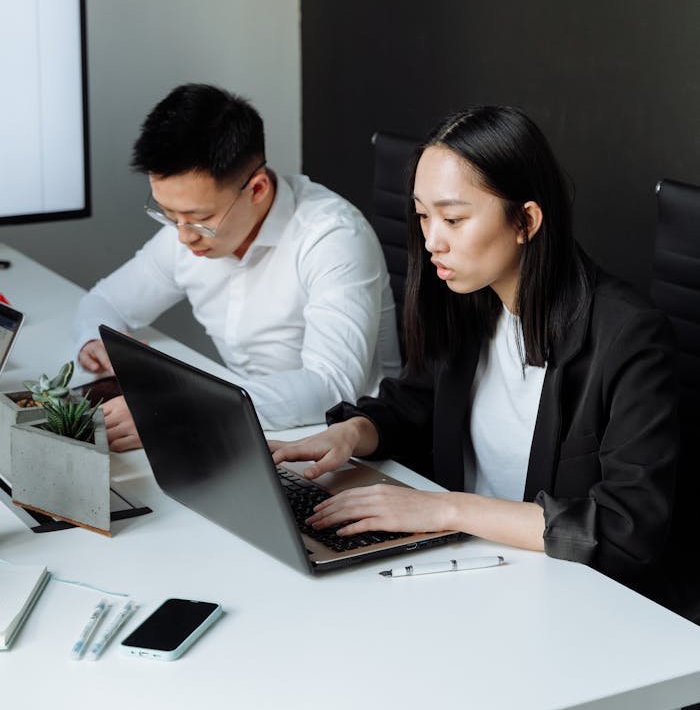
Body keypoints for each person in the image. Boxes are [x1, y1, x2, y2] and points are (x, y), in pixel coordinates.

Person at [270, 105, 679, 599]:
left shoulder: (628, 336)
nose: (431, 241)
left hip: (565, 592)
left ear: (525, 221)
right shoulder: (468, 298)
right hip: (463, 568)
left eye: (453, 219)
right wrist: (354, 431)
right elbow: (417, 401)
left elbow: (625, 528)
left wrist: (446, 509)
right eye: (423, 215)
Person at [74, 83, 401, 450]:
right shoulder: (186, 229)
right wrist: (93, 339)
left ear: (257, 189)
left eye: (200, 219)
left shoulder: (332, 237)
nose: (183, 236)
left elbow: (330, 387)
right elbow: (106, 302)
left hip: (345, 443)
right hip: (242, 426)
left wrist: (179, 407)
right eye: (168, 214)